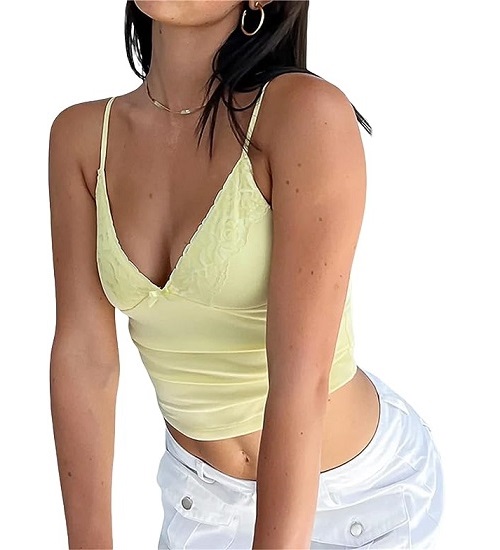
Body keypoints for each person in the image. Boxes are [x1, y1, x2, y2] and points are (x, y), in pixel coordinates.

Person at [48, 1, 444, 548]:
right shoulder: (82, 138)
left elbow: (299, 382)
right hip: (200, 502)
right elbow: (84, 358)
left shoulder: (304, 116)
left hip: (358, 499)